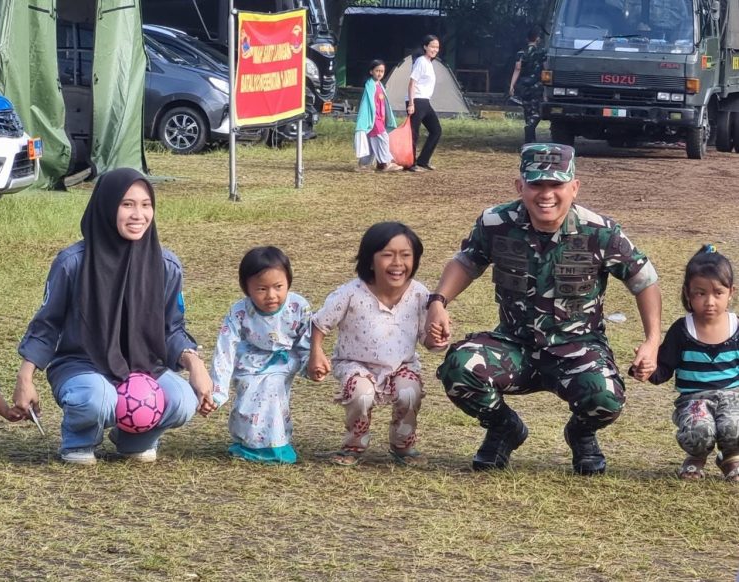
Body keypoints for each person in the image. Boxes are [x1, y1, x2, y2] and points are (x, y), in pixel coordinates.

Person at [426, 143, 662, 475]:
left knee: (606, 397)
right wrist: (438, 302)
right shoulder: (497, 222)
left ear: (574, 187)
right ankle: (503, 429)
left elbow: (644, 280)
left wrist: (652, 341)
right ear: (520, 186)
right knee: (459, 367)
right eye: (537, 184)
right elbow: (467, 261)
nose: (546, 194)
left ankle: (581, 435)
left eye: (556, 185)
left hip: (577, 349)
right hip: (514, 347)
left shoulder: (600, 231)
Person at [13, 168, 215, 465]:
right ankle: (79, 439)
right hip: (82, 364)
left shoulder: (166, 265)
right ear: (106, 206)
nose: (138, 214)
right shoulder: (73, 263)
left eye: (146, 205)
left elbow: (172, 329)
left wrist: (195, 364)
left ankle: (134, 437)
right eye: (127, 204)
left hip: (144, 365)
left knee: (183, 401)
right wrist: (25, 376)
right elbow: (48, 324)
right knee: (98, 398)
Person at [308, 222, 434, 466]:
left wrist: (436, 338)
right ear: (369, 260)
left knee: (410, 393)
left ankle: (403, 445)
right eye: (387, 255)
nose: (397, 263)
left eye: (406, 255)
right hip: (355, 363)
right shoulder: (350, 293)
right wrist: (316, 352)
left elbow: (426, 339)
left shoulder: (419, 294)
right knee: (361, 395)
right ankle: (354, 444)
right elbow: (320, 323)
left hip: (401, 365)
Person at [644, 246, 739, 482]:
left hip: (733, 397)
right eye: (700, 293)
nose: (709, 301)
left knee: (733, 424)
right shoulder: (682, 330)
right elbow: (664, 367)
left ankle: (731, 457)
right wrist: (646, 369)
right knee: (700, 429)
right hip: (694, 399)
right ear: (688, 293)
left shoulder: (737, 327)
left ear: (731, 292)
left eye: (718, 293)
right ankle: (696, 458)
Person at [209, 246, 311, 464]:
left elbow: (306, 340)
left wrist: (310, 364)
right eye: (261, 289)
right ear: (247, 288)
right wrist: (217, 390)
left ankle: (276, 446)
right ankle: (247, 442)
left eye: (278, 287)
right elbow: (225, 348)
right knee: (247, 394)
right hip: (249, 361)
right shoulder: (239, 311)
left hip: (283, 360)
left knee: (272, 390)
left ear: (288, 282)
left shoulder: (298, 306)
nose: (271, 295)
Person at [354, 59, 402, 173]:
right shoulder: (370, 86)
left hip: (380, 119)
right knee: (383, 138)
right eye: (377, 71)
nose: (380, 73)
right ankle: (386, 163)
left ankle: (365, 165)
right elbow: (368, 104)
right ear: (371, 72)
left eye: (382, 71)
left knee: (372, 142)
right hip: (373, 119)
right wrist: (370, 118)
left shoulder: (379, 85)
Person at [406, 34, 442, 172]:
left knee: (436, 130)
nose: (435, 49)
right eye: (432, 46)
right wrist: (411, 103)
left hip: (425, 101)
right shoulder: (420, 61)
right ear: (425, 47)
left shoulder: (429, 62)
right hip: (417, 100)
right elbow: (412, 83)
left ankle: (423, 160)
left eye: (437, 47)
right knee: (413, 133)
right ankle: (411, 163)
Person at [509, 27, 546, 144]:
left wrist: (512, 85)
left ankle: (529, 141)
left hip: (523, 86)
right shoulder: (541, 53)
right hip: (536, 85)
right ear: (538, 39)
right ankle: (530, 129)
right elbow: (546, 68)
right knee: (537, 113)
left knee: (527, 111)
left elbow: (517, 69)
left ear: (527, 39)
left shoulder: (521, 53)